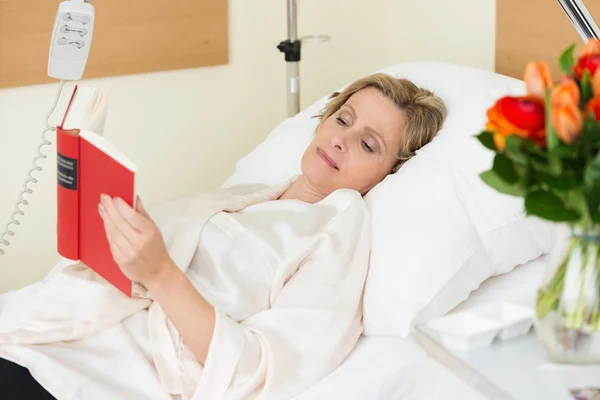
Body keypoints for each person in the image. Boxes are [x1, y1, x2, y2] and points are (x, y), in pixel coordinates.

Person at [0, 73, 447, 400]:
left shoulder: (337, 238)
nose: (342, 141)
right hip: (46, 333)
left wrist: (159, 274)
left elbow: (258, 368)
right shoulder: (245, 196)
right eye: (343, 119)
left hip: (98, 376)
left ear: (389, 174)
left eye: (369, 145)